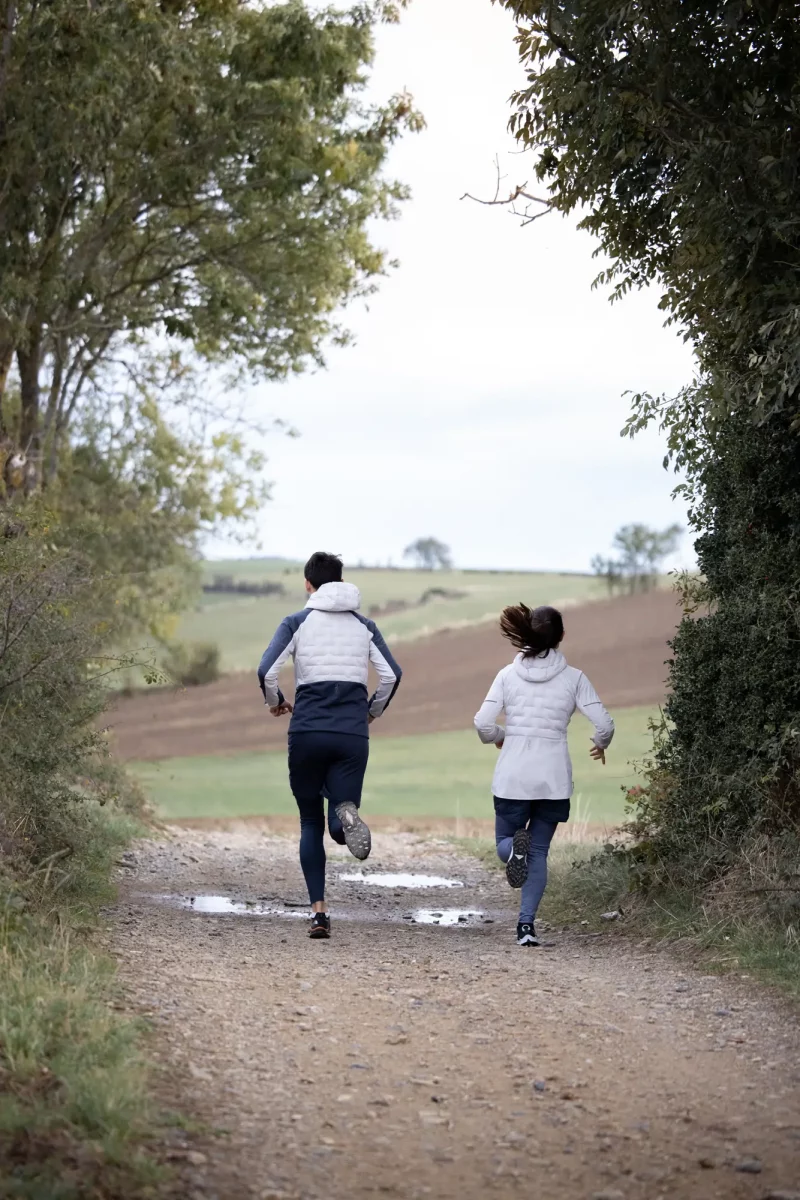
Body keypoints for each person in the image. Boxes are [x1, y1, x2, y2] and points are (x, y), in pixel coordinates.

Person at [257, 552, 402, 940]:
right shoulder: (364, 626)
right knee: (340, 817)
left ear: (308, 584)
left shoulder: (297, 622)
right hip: (351, 734)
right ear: (339, 582)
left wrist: (276, 703)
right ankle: (345, 819)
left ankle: (319, 914)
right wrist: (371, 712)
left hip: (307, 731)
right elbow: (391, 675)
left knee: (309, 821)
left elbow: (266, 670)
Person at [474, 603, 614, 947]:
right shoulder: (574, 678)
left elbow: (482, 723)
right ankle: (526, 928)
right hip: (553, 780)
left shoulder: (507, 675)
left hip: (513, 777)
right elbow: (605, 724)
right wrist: (600, 744)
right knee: (538, 853)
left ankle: (512, 851)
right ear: (561, 636)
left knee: (504, 845)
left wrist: (501, 737)